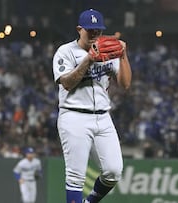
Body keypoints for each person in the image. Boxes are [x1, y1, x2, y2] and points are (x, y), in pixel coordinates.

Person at [52, 8, 132, 203]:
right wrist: (88, 60)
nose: (95, 34)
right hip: (74, 116)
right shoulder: (66, 51)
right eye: (90, 30)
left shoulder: (107, 51)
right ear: (79, 29)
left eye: (98, 31)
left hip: (103, 117)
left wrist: (122, 55)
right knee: (75, 177)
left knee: (113, 171)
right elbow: (67, 83)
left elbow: (125, 84)